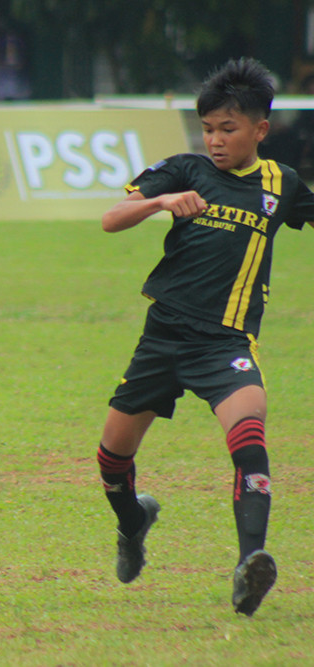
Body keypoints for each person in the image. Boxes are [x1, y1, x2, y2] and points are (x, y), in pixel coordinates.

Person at [96, 57, 314, 617]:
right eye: (208, 129)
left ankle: (251, 563)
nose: (215, 141)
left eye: (228, 129)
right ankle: (133, 521)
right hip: (163, 337)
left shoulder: (281, 184)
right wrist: (161, 201)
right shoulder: (186, 170)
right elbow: (112, 219)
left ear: (260, 130)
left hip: (227, 344)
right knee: (112, 460)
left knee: (249, 431)